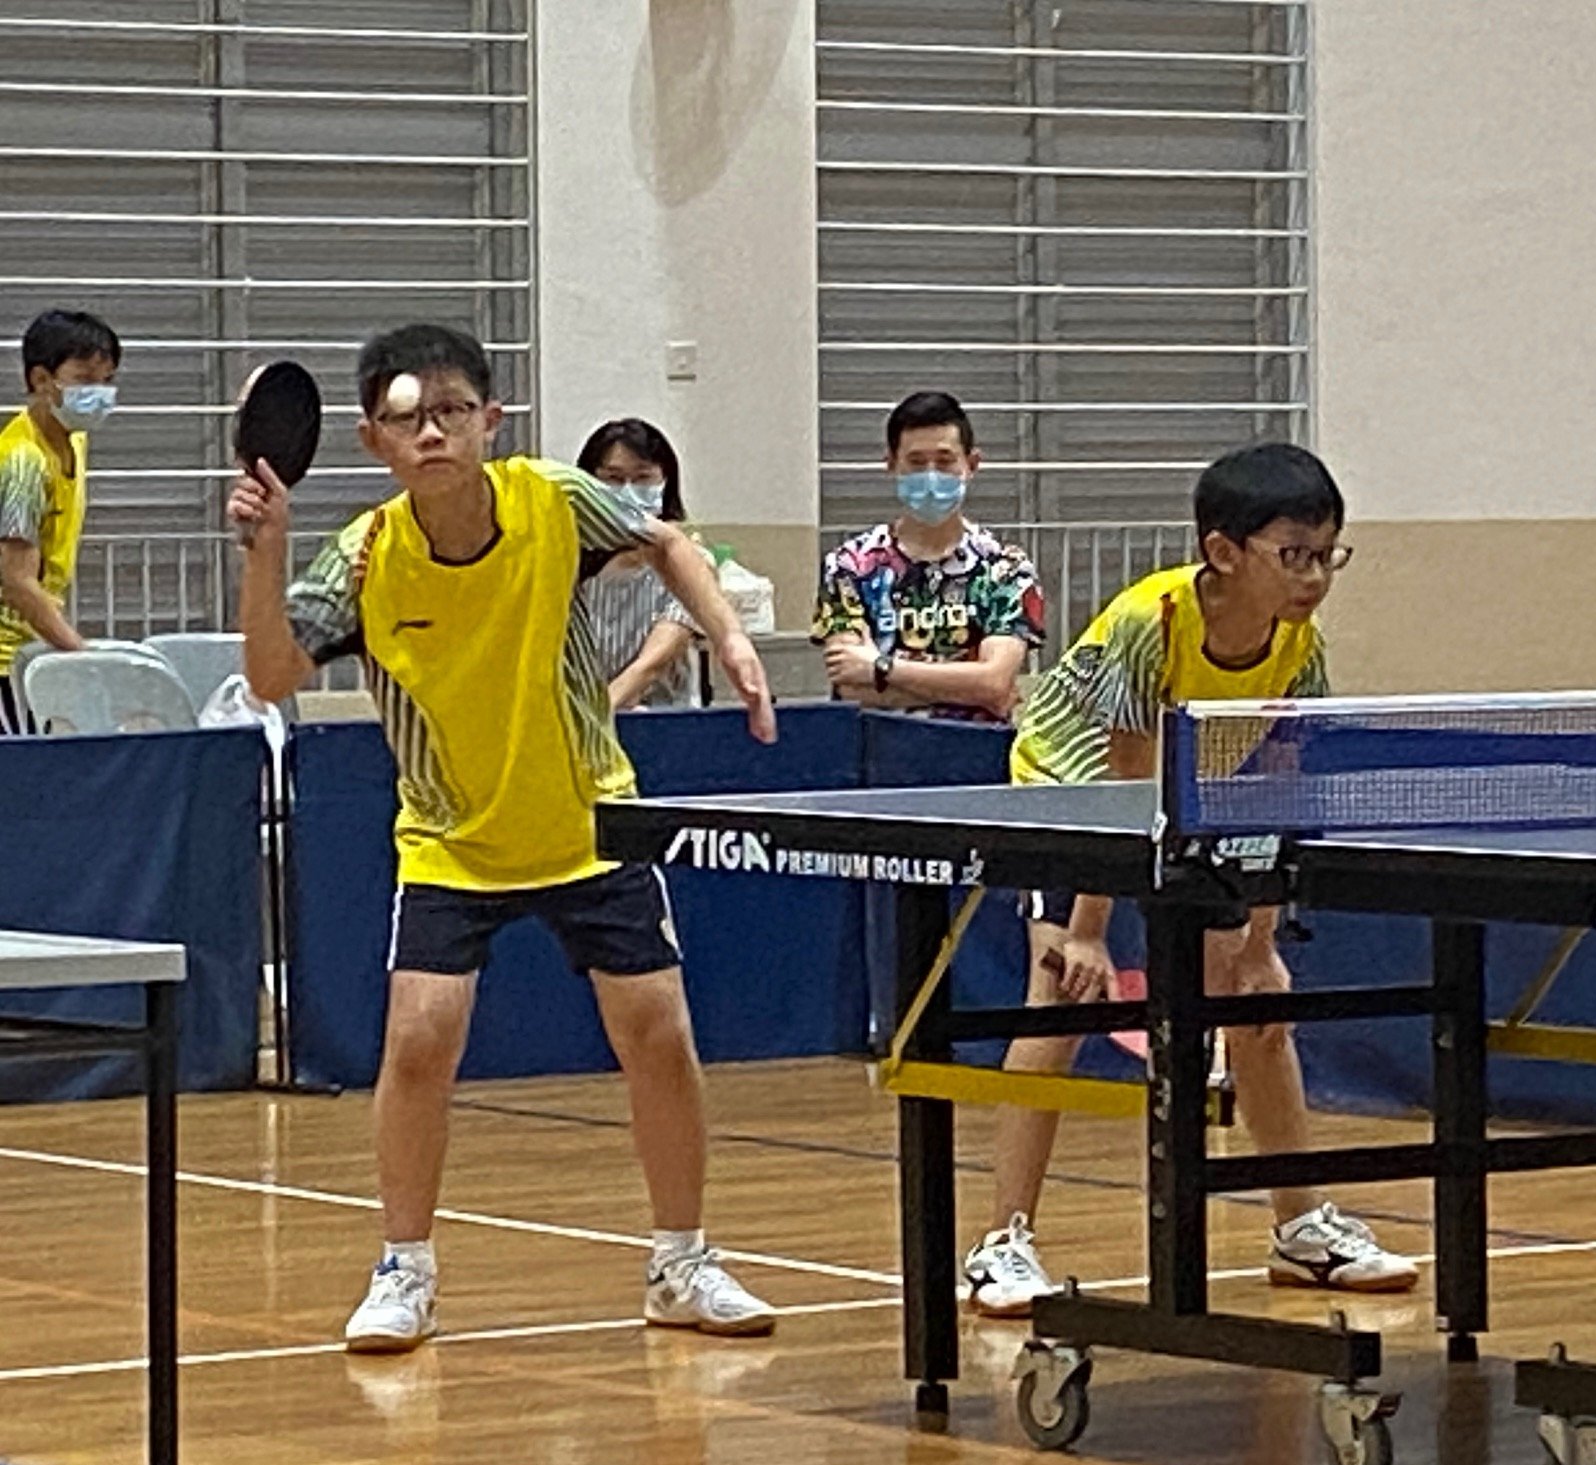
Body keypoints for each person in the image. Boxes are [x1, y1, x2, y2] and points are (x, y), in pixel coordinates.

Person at [231, 324, 780, 1351]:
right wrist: (264, 555)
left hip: (586, 816)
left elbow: (664, 537)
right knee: (419, 1041)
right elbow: (270, 675)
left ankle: (682, 1261)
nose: (431, 431)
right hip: (450, 836)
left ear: (490, 421)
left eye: (450, 410)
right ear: (371, 440)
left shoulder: (550, 499)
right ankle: (405, 1270)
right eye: (407, 417)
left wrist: (733, 635)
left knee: (659, 1036)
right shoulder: (364, 557)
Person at [963, 441, 1421, 1317]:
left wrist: (1257, 943)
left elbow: (1284, 777)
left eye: (1327, 555)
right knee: (1060, 993)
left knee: (1258, 1003)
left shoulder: (1298, 642)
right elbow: (1126, 788)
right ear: (1223, 551)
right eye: (1295, 555)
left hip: (1199, 792)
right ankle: (1001, 1243)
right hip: (1076, 792)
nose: (1315, 576)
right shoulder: (1154, 622)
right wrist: (1090, 931)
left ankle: (1301, 1226)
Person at [812, 391, 1043, 723]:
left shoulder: (1005, 570)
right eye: (917, 462)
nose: (931, 476)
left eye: (945, 461)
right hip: (875, 756)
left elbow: (995, 683)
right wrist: (968, 684)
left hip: (978, 759)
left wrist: (879, 667)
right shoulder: (849, 566)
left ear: (971, 465)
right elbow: (850, 686)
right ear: (891, 464)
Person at [0, 310, 121, 733]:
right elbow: (16, 582)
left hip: (30, 652)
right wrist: (78, 650)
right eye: (85, 379)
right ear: (41, 380)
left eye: (107, 381)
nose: (100, 394)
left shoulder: (75, 440)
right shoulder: (23, 463)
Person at [574, 417, 703, 710]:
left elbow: (652, 664)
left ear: (665, 481)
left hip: (661, 720)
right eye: (613, 479)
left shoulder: (687, 562)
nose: (628, 491)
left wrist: (601, 714)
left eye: (643, 478)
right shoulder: (567, 556)